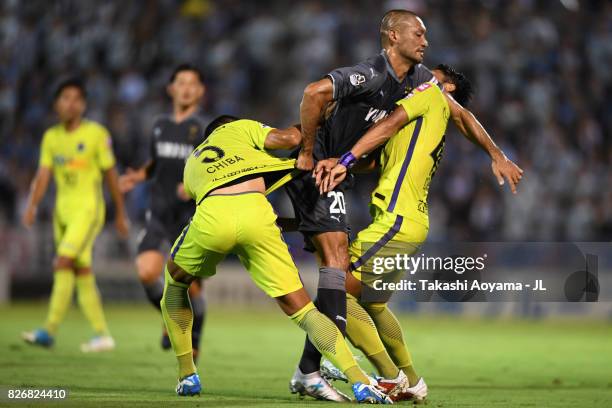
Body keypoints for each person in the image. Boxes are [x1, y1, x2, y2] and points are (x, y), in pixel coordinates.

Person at [286, 9, 522, 400]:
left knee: (337, 288)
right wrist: (496, 153)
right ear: (393, 37)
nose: (426, 45)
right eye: (419, 34)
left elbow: (389, 125)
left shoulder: (428, 95)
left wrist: (341, 159)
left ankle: (358, 371)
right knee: (374, 305)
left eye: (439, 81)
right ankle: (411, 380)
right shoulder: (405, 93)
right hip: (409, 220)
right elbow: (377, 142)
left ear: (443, 92)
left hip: (396, 220)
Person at [161, 115, 391, 404]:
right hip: (257, 215)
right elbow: (289, 139)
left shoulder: (192, 162)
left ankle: (187, 376)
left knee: (175, 283)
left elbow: (220, 202)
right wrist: (314, 121)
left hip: (212, 215)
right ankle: (360, 381)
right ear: (228, 126)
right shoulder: (237, 128)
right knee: (307, 313)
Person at [21, 77, 129, 352]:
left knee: (63, 261)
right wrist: (32, 205)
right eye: (65, 98)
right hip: (62, 212)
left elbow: (111, 175)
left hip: (88, 210)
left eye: (77, 99)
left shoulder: (96, 134)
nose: (71, 104)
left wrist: (119, 213)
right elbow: (43, 175)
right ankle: (103, 334)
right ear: (56, 103)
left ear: (84, 105)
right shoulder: (51, 137)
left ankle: (49, 329)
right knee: (81, 271)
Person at [119, 64, 208, 358]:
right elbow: (155, 164)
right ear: (171, 89)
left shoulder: (205, 129)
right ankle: (170, 317)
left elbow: (213, 169)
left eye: (191, 83)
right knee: (146, 272)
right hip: (158, 212)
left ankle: (193, 339)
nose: (185, 88)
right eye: (179, 82)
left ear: (200, 91)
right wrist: (138, 176)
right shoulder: (159, 125)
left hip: (189, 218)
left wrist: (194, 186)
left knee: (190, 288)